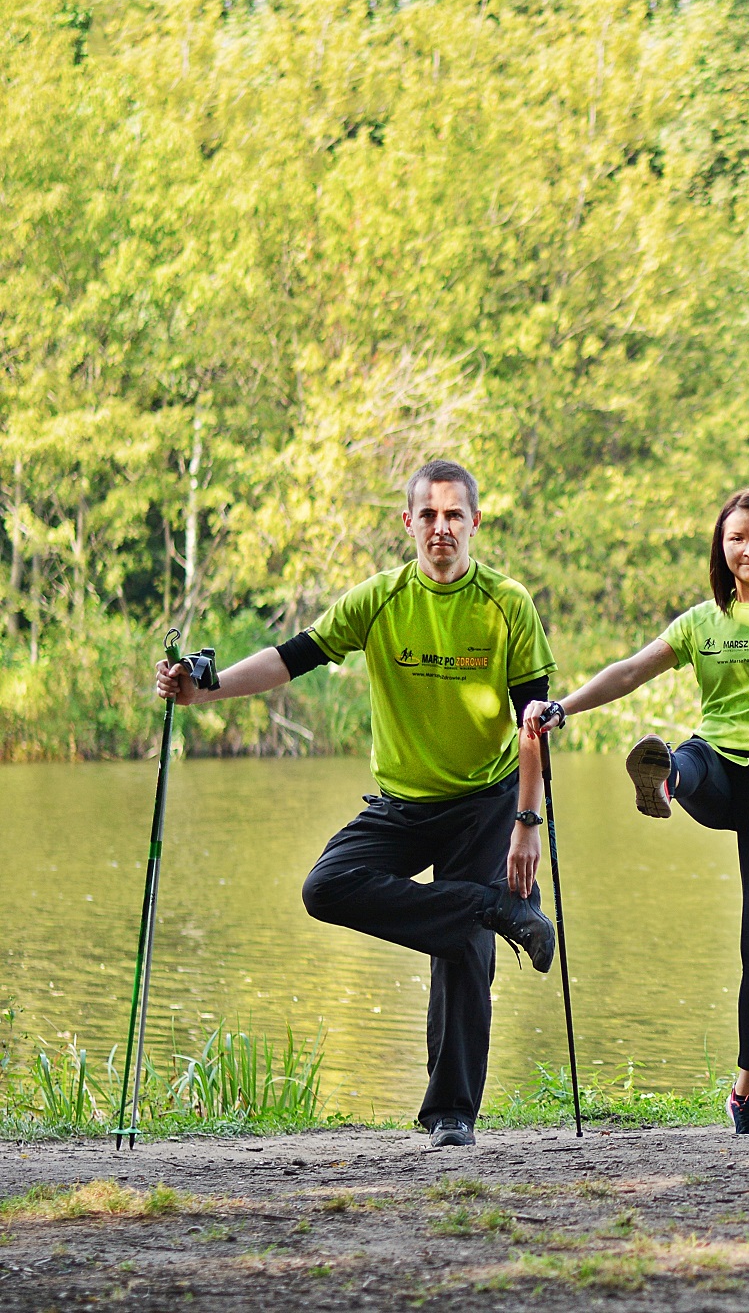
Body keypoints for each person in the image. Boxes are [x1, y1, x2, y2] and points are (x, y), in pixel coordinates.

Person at [154, 460, 558, 1148]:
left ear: (474, 523)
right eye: (427, 515)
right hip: (403, 801)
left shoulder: (507, 603)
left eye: (454, 515)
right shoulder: (380, 598)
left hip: (485, 802)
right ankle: (492, 909)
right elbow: (290, 658)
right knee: (328, 886)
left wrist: (526, 823)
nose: (441, 527)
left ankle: (451, 1116)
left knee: (464, 951)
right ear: (408, 523)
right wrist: (204, 688)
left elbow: (533, 724)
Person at [522, 488, 749, 1136]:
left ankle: (746, 1093)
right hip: (714, 769)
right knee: (688, 757)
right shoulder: (701, 621)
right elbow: (632, 671)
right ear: (721, 546)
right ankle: (664, 782)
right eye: (738, 537)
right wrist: (563, 708)